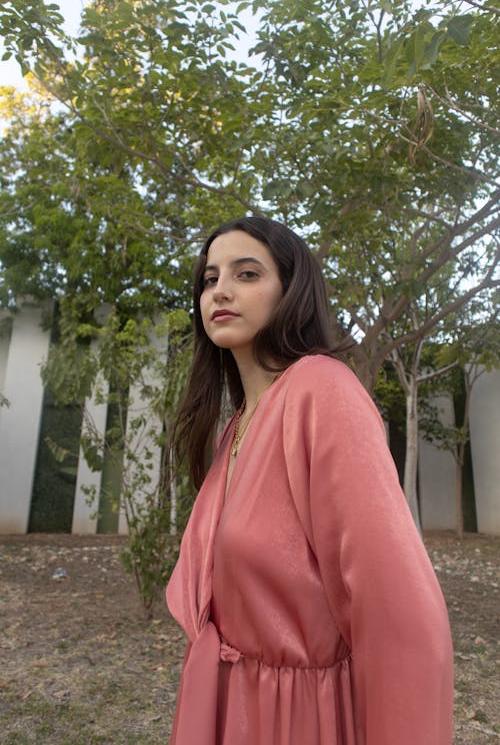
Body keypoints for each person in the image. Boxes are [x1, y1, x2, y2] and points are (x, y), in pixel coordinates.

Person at [166, 216, 454, 745]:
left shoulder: (321, 392)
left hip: (298, 721)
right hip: (230, 710)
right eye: (209, 279)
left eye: (247, 274)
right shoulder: (237, 425)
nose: (220, 291)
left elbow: (400, 612)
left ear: (292, 290)